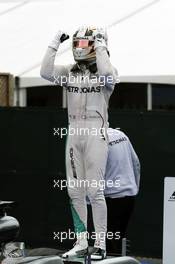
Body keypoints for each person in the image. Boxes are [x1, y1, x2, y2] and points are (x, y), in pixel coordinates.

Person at [40, 27, 118, 259]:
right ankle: (81, 241)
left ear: (96, 46)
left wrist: (102, 46)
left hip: (96, 132)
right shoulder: (69, 72)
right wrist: (55, 43)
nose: (79, 49)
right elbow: (45, 71)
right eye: (77, 44)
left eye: (85, 44)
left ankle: (101, 244)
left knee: (95, 191)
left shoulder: (108, 72)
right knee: (75, 192)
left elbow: (106, 74)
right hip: (74, 132)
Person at [105, 128, 140, 255]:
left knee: (110, 244)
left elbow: (95, 172)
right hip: (129, 197)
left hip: (111, 199)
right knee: (117, 240)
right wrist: (134, 188)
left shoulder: (96, 140)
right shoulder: (121, 134)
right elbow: (136, 162)